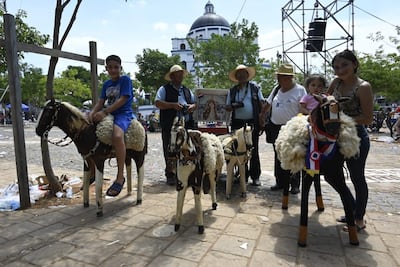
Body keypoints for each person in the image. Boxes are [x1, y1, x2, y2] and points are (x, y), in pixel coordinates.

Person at [327, 49, 373, 231]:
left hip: (356, 137)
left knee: (357, 177)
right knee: (331, 174)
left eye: (344, 65)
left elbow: (367, 118)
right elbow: (326, 98)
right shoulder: (335, 83)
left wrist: (341, 119)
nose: (340, 70)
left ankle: (359, 218)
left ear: (354, 64)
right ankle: (352, 207)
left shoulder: (363, 87)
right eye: (336, 67)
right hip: (335, 136)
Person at [88, 55, 135, 197]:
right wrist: (92, 113)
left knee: (117, 135)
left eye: (116, 67)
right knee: (86, 132)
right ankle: (91, 169)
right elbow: (101, 101)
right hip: (109, 113)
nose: (113, 70)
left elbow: (123, 99)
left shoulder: (125, 80)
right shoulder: (107, 84)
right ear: (106, 68)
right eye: (110, 67)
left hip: (122, 114)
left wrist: (105, 112)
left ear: (120, 68)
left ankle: (120, 177)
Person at [260, 63, 307, 194]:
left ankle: (295, 184)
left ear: (292, 77)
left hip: (293, 128)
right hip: (276, 127)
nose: (283, 80)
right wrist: (262, 115)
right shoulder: (276, 89)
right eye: (281, 77)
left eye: (287, 77)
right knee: (279, 155)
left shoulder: (300, 90)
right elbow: (268, 104)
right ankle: (280, 182)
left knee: (295, 155)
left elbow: (304, 107)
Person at [155, 64, 197, 186]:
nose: (179, 76)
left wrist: (192, 107)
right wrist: (172, 105)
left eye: (181, 74)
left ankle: (187, 173)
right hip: (170, 124)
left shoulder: (187, 90)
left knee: (188, 149)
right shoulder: (164, 89)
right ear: (172, 76)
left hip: (187, 123)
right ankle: (170, 174)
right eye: (177, 74)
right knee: (170, 149)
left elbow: (195, 103)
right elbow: (158, 103)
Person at [226, 64, 265, 186]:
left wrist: (262, 120)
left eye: (244, 74)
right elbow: (227, 107)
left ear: (248, 75)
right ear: (236, 77)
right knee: (238, 149)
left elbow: (262, 103)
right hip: (237, 123)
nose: (242, 76)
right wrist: (233, 106)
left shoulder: (255, 88)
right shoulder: (232, 91)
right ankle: (242, 175)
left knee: (253, 149)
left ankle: (255, 176)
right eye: (239, 74)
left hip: (252, 122)